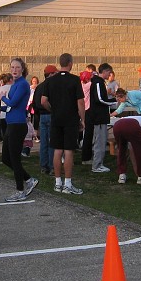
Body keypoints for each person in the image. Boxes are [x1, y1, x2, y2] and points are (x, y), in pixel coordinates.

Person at [40, 53, 85, 195]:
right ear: (70, 63)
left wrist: (52, 109)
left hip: (56, 118)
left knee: (57, 149)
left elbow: (43, 101)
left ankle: (57, 182)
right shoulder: (74, 80)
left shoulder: (51, 81)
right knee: (69, 150)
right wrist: (82, 119)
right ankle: (68, 183)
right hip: (70, 118)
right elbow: (80, 101)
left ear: (60, 63)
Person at [0, 58, 39, 202]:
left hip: (18, 124)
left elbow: (14, 103)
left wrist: (3, 97)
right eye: (12, 67)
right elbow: (11, 106)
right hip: (11, 123)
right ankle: (29, 179)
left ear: (22, 69)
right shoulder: (15, 84)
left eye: (17, 67)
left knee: (14, 159)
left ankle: (20, 190)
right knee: (5, 158)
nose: (14, 70)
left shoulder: (22, 84)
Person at [112, 112, 141, 184]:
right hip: (132, 125)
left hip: (117, 125)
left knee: (121, 150)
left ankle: (122, 175)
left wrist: (136, 169)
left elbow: (132, 150)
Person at [89, 63, 117, 172]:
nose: (109, 75)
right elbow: (100, 99)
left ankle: (99, 163)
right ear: (104, 71)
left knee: (101, 139)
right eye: (109, 72)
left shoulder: (99, 82)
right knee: (100, 141)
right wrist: (113, 102)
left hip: (101, 116)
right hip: (99, 116)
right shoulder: (97, 82)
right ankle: (96, 165)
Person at [34, 64, 57, 175]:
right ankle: (52, 166)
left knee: (44, 142)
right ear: (51, 74)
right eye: (55, 73)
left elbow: (35, 104)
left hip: (41, 116)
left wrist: (36, 123)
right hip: (50, 114)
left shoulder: (39, 87)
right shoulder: (52, 85)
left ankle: (44, 166)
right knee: (52, 142)